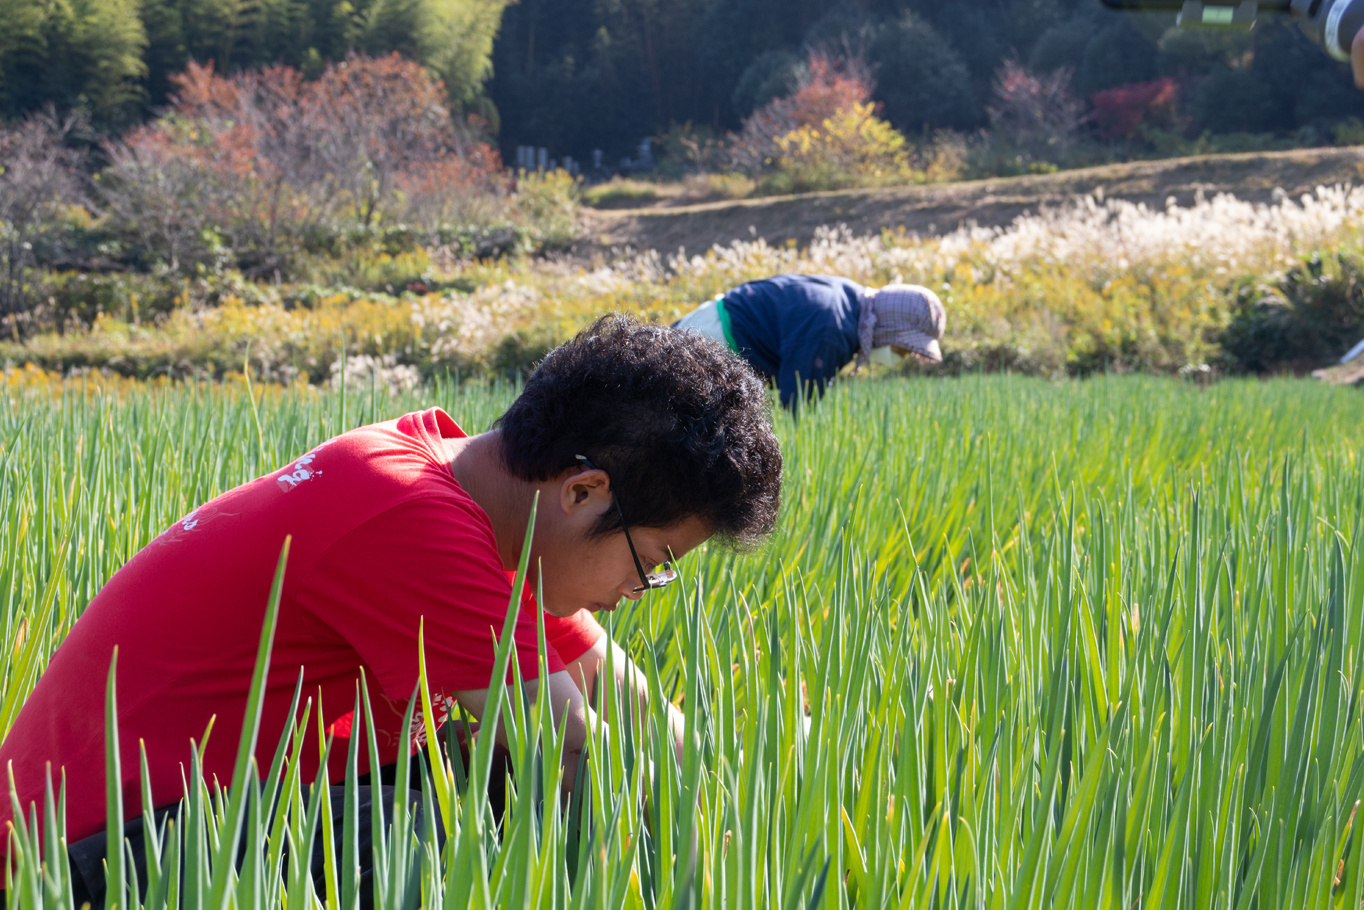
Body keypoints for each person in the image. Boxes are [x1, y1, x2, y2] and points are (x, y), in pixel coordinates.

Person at [0, 315, 783, 904]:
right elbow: (577, 749)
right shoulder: (408, 515)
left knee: (482, 780)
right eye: (653, 564)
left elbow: (641, 716)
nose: (634, 595)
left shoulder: (489, 511)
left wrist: (768, 796)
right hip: (86, 861)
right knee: (434, 829)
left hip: (197, 824)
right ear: (583, 491)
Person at [674, 274, 946, 411]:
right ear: (890, 328)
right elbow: (798, 406)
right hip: (711, 343)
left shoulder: (849, 301)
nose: (902, 357)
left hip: (708, 326)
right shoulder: (834, 330)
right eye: (904, 348)